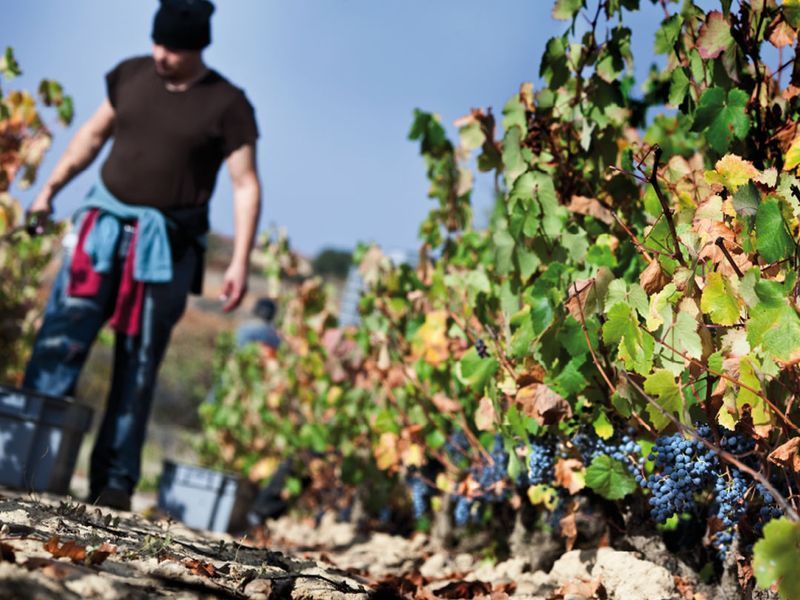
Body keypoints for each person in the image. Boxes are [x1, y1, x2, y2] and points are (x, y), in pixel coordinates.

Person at [22, 0, 262, 511]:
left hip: (165, 250)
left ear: (197, 46)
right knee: (60, 340)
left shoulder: (227, 104)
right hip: (100, 232)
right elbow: (90, 136)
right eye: (156, 42)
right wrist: (49, 190)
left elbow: (245, 185)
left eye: (171, 47)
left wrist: (239, 260)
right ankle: (26, 459)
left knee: (139, 363)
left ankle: (114, 482)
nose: (159, 54)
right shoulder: (130, 75)